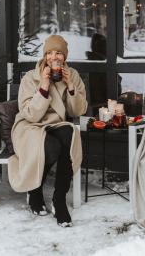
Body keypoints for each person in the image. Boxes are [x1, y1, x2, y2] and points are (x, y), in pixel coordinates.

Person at [9, 34, 88, 227]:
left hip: (56, 125)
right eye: (50, 53)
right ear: (45, 56)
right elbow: (30, 114)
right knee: (52, 147)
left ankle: (59, 199)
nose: (54, 57)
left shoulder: (73, 76)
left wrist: (70, 87)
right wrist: (44, 86)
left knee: (70, 134)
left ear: (65, 57)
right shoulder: (31, 77)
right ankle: (34, 191)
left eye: (59, 53)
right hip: (30, 126)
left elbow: (77, 111)